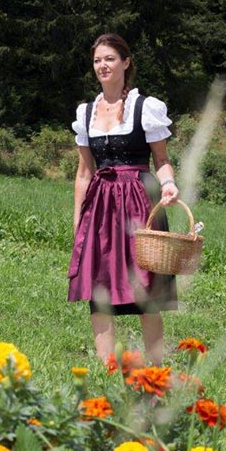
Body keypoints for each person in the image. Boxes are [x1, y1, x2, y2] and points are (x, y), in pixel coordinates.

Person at [68, 33, 180, 366]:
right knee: (98, 291)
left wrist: (169, 184)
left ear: (126, 62)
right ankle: (107, 371)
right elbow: (84, 173)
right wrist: (78, 222)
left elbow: (161, 160)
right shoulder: (86, 112)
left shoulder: (146, 108)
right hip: (100, 207)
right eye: (97, 60)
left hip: (139, 204)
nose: (102, 66)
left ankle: (156, 374)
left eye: (110, 59)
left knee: (146, 290)